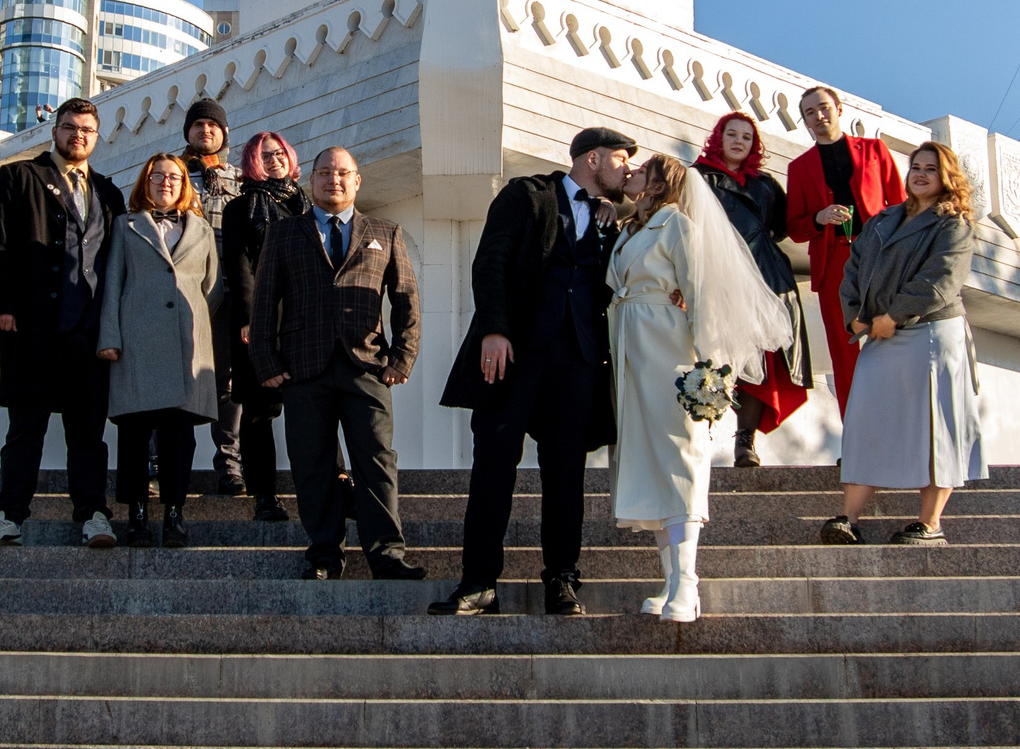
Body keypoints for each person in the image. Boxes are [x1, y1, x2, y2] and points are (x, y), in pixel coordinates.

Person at [429, 125, 635, 618]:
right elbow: (491, 260)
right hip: (514, 354)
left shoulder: (611, 218)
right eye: (622, 160)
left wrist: (618, 213)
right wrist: (494, 330)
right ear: (593, 158)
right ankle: (479, 583)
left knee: (566, 475)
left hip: (579, 360)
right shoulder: (528, 193)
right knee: (493, 467)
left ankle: (562, 580)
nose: (627, 169)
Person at [607, 152, 794, 623]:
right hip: (632, 355)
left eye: (640, 171)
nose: (630, 174)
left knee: (681, 458)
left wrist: (708, 371)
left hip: (670, 353)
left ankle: (688, 583)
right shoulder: (630, 229)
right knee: (651, 465)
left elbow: (704, 294)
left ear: (658, 184)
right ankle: (670, 579)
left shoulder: (678, 226)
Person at [246, 146, 424, 580]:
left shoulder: (387, 231)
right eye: (325, 172)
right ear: (312, 181)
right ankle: (325, 554)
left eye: (343, 173)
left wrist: (403, 356)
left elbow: (406, 303)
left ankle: (387, 554)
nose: (334, 180)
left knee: (376, 460)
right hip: (303, 368)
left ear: (357, 181)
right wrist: (266, 360)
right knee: (312, 464)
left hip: (367, 367)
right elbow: (264, 302)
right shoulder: (285, 234)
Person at [0, 97, 128, 549]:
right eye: (69, 127)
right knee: (26, 427)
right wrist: (1, 304)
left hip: (89, 331)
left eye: (86, 130)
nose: (77, 135)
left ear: (97, 138)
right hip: (33, 328)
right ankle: (9, 515)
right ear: (54, 131)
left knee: (88, 432)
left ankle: (94, 514)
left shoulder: (109, 192)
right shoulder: (20, 177)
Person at [822, 140, 985, 547]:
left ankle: (930, 523)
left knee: (934, 427)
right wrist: (856, 315)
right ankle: (847, 517)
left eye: (931, 168)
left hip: (930, 333)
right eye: (916, 167)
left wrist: (893, 316)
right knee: (866, 422)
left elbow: (941, 278)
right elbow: (853, 267)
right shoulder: (883, 219)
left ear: (946, 176)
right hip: (878, 333)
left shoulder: (954, 223)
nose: (921, 174)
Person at [97, 152, 221, 549]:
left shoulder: (201, 229)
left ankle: (173, 514)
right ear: (145, 182)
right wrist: (110, 337)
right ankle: (136, 515)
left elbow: (214, 287)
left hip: (187, 344)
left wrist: (197, 323)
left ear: (185, 184)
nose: (165, 183)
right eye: (157, 176)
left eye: (174, 177)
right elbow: (112, 283)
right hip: (136, 341)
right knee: (134, 433)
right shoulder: (125, 225)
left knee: (178, 436)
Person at [693, 112, 811, 465]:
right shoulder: (697, 178)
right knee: (715, 355)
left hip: (766, 276)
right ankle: (699, 432)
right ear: (718, 137)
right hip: (716, 276)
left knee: (763, 359)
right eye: (732, 134)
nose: (739, 141)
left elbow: (783, 226)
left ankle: (746, 440)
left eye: (747, 137)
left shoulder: (766, 184)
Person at [784, 86, 908, 414]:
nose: (819, 116)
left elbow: (900, 205)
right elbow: (795, 228)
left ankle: (899, 429)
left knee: (894, 340)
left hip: (880, 258)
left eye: (823, 107)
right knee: (845, 351)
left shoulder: (874, 150)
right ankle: (856, 438)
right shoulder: (799, 168)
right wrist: (818, 217)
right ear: (805, 122)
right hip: (834, 264)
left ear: (839, 109)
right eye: (810, 112)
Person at [219, 132, 304, 523]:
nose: (274, 160)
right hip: (259, 321)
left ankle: (331, 484)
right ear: (251, 161)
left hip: (305, 319)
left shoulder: (307, 205)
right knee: (259, 411)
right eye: (264, 155)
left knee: (314, 405)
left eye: (280, 153)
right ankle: (265, 496)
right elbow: (239, 270)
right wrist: (254, 319)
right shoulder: (241, 209)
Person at [178, 97, 246, 495]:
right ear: (187, 131)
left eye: (213, 125)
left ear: (224, 133)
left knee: (228, 382)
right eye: (198, 125)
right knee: (174, 375)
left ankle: (229, 463)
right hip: (182, 292)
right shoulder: (169, 175)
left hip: (229, 292)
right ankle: (159, 461)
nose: (206, 130)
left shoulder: (241, 179)